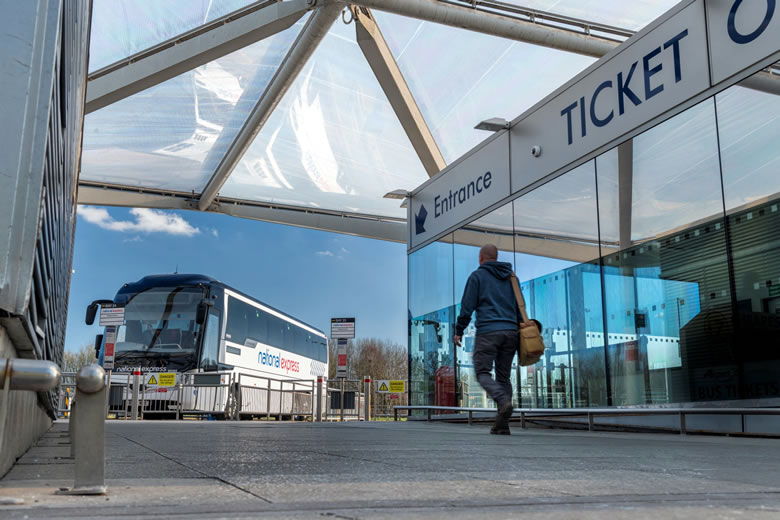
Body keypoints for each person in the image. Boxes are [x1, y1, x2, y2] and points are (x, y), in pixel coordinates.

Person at [453, 244, 530, 435]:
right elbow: (520, 306)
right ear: (496, 257)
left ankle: (503, 401)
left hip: (488, 332)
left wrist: (459, 330)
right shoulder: (512, 278)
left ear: (481, 258)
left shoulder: (477, 277)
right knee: (504, 376)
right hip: (511, 332)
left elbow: (467, 306)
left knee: (482, 372)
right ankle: (502, 424)